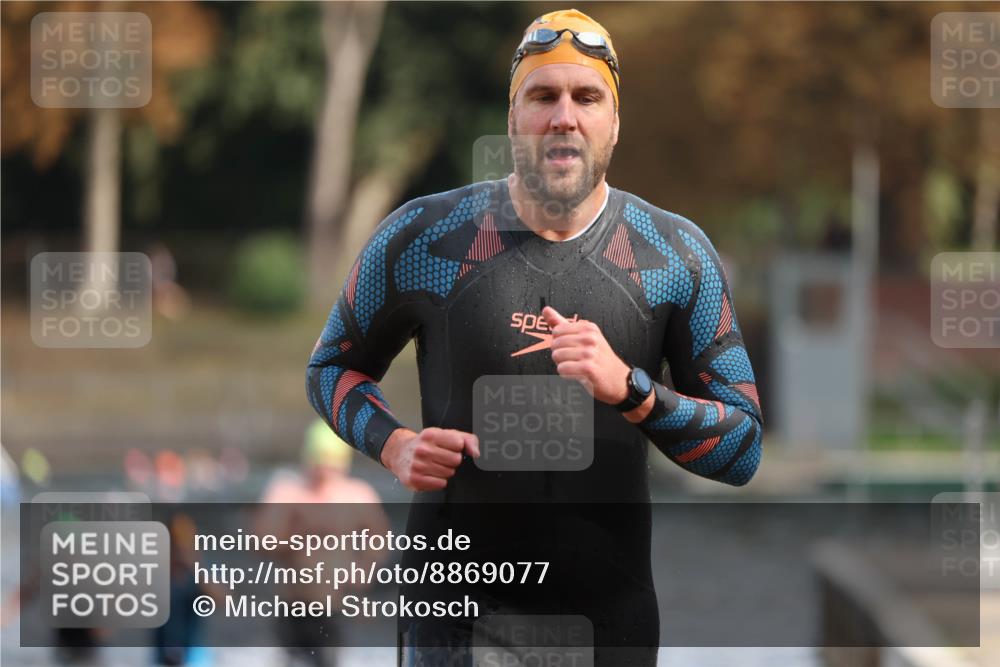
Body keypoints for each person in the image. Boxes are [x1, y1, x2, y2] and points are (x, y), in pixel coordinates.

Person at [306, 9, 763, 665]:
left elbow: (743, 446)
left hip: (608, 621)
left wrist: (632, 390)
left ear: (614, 120)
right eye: (542, 96)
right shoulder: (422, 238)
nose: (564, 116)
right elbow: (331, 368)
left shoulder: (675, 256)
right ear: (513, 115)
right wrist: (393, 443)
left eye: (587, 97)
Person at [257, 420, 387, 667]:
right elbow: (262, 542)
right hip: (292, 604)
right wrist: (297, 531)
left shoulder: (356, 494)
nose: (323, 474)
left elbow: (380, 537)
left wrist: (365, 570)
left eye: (331, 466)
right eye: (319, 464)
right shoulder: (288, 492)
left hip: (336, 605)